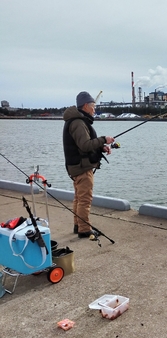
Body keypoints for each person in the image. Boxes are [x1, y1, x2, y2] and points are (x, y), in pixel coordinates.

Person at [63, 91, 114, 238]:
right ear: (86, 105)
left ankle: (78, 225)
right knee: (85, 199)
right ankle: (84, 230)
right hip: (81, 167)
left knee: (79, 198)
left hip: (76, 166)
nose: (94, 109)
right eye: (93, 106)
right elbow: (85, 145)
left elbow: (83, 145)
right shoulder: (78, 122)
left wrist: (101, 147)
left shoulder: (76, 120)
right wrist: (104, 139)